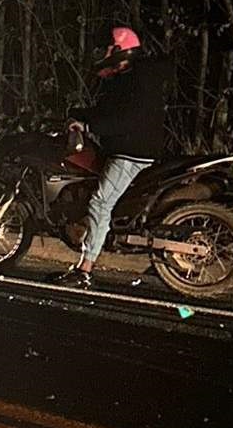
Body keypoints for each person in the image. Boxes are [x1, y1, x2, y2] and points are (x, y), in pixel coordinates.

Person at [52, 26, 167, 288]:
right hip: (125, 148)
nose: (104, 53)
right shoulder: (128, 77)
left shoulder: (139, 80)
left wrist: (90, 127)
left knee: (100, 203)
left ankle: (85, 269)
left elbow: (125, 119)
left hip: (133, 153)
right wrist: (79, 115)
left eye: (108, 48)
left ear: (120, 49)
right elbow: (107, 111)